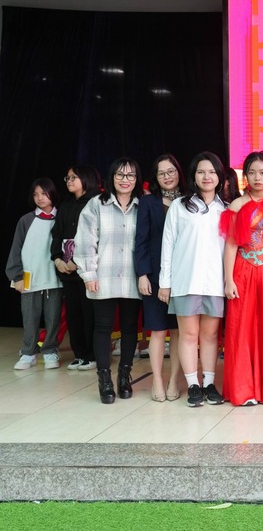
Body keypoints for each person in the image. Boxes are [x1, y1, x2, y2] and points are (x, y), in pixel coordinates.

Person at [159, 152, 228, 407]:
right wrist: (165, 282)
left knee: (210, 335)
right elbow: (168, 245)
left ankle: (209, 383)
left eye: (211, 172)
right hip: (185, 280)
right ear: (193, 176)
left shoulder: (227, 208)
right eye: (201, 172)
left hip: (215, 281)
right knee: (188, 334)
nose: (206, 177)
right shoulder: (179, 206)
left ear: (219, 176)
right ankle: (193, 385)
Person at [221, 151, 263, 406]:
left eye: (262, 173)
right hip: (243, 269)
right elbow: (231, 245)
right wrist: (228, 279)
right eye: (252, 173)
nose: (257, 178)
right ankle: (244, 389)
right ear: (245, 177)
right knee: (241, 328)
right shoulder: (236, 206)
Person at [74, 158, 143, 404]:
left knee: (129, 328)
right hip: (103, 276)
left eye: (130, 175)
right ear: (111, 177)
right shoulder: (97, 204)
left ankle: (124, 376)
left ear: (137, 179)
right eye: (120, 175)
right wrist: (89, 274)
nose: (125, 180)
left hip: (133, 278)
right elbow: (85, 240)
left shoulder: (142, 205)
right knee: (102, 327)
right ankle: (104, 379)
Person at [134, 154, 185, 401]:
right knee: (157, 330)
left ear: (178, 172)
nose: (167, 176)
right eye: (161, 173)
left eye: (171, 171)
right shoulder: (148, 203)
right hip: (154, 277)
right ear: (155, 177)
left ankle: (174, 380)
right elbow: (141, 241)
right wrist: (142, 274)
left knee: (177, 331)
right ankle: (157, 380)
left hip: (183, 276)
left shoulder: (189, 201)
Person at [6, 178, 64, 370]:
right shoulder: (26, 220)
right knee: (29, 318)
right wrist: (17, 276)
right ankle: (28, 352)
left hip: (54, 279)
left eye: (44, 193)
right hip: (30, 278)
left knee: (53, 317)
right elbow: (16, 249)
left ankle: (50, 350)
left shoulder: (61, 218)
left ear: (52, 194)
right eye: (35, 194)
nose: (40, 198)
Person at [51, 165, 102, 371]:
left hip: (88, 269)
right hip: (67, 270)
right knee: (74, 314)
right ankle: (79, 354)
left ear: (86, 178)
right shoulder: (65, 205)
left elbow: (99, 236)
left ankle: (92, 355)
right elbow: (57, 234)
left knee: (90, 314)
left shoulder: (97, 202)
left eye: (74, 177)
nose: (69, 181)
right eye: (68, 178)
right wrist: (57, 259)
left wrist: (78, 262)